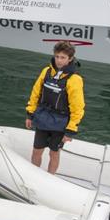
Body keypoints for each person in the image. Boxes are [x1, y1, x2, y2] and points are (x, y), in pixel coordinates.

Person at [25, 40, 85, 174]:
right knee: (36, 151)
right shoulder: (46, 71)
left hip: (60, 123)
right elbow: (35, 93)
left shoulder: (74, 79)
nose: (59, 60)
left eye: (63, 57)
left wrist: (70, 130)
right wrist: (30, 114)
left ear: (70, 59)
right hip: (42, 118)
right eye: (57, 56)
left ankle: (49, 177)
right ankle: (33, 174)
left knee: (54, 153)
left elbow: (78, 107)